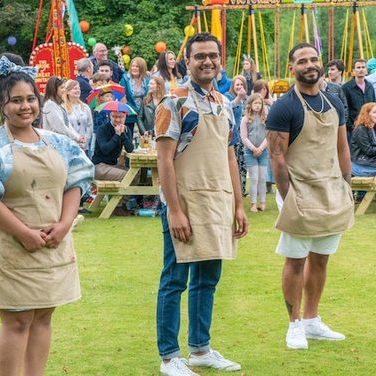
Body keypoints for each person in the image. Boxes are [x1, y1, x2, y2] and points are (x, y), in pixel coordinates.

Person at [0, 53, 93, 375]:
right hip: (10, 246)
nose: (25, 107)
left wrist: (64, 225)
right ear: (2, 106)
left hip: (53, 244)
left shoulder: (58, 143)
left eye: (30, 99)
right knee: (17, 320)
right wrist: (23, 233)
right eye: (15, 100)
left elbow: (76, 182)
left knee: (43, 316)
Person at [155, 32, 247, 375]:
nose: (207, 61)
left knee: (208, 277)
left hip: (218, 200)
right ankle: (169, 356)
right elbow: (164, 160)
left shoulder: (224, 104)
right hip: (184, 201)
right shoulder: (173, 102)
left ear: (220, 60)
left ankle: (200, 349)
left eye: (213, 56)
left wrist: (239, 205)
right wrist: (174, 209)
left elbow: (229, 157)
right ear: (187, 61)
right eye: (200, 56)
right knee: (175, 279)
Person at [266, 43, 353, 350]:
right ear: (292, 68)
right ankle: (294, 325)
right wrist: (288, 197)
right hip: (298, 193)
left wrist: (346, 184)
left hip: (331, 192)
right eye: (302, 61)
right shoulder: (283, 106)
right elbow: (276, 157)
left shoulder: (334, 102)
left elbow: (342, 147)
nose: (310, 65)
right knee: (296, 260)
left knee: (321, 259)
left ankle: (313, 321)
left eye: (314, 59)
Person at [240, 93, 268, 212]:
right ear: (250, 105)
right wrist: (253, 149)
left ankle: (262, 202)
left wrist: (260, 149)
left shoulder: (265, 118)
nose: (257, 105)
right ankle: (253, 203)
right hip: (249, 152)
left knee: (262, 178)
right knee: (254, 178)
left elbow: (269, 135)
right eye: (255, 103)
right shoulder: (245, 120)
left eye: (259, 103)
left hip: (264, 151)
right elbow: (244, 137)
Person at [42, 77, 85, 148]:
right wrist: (76, 138)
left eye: (64, 87)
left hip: (62, 143)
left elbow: (67, 124)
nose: (64, 90)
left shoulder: (58, 105)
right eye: (62, 88)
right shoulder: (50, 105)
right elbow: (59, 126)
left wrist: (78, 136)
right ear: (54, 89)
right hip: (55, 145)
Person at [92, 109, 133, 181]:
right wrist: (117, 135)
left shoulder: (126, 129)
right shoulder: (102, 129)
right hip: (99, 166)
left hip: (114, 165)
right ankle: (121, 192)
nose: (117, 119)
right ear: (110, 116)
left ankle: (124, 192)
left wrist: (123, 134)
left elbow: (129, 149)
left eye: (121, 117)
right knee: (128, 176)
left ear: (125, 117)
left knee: (134, 173)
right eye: (114, 116)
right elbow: (105, 150)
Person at [224, 75, 248, 195]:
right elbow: (229, 107)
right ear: (233, 86)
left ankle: (241, 191)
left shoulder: (246, 99)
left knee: (242, 165)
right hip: (231, 136)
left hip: (243, 137)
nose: (239, 87)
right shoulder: (227, 97)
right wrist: (239, 97)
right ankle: (231, 191)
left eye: (241, 84)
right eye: (237, 84)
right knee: (231, 164)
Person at [342, 59, 376, 135]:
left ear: (366, 70)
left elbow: (374, 105)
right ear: (354, 71)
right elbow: (344, 108)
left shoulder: (370, 86)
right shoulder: (346, 88)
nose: (361, 70)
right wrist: (350, 126)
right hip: (354, 128)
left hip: (370, 126)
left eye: (363, 67)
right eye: (358, 67)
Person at [119, 57, 149, 129]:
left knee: (145, 137)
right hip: (129, 114)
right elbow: (122, 99)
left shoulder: (146, 80)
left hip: (143, 114)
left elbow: (148, 97)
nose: (134, 68)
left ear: (142, 68)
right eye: (133, 66)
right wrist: (135, 110)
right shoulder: (125, 80)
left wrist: (142, 111)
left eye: (137, 66)